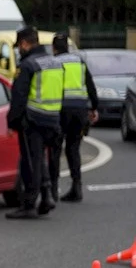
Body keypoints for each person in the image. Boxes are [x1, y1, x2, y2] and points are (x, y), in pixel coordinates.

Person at [6, 26, 64, 219]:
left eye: (19, 46)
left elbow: (19, 97)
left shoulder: (28, 65)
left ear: (24, 43)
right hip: (53, 117)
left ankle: (29, 204)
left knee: (30, 162)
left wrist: (13, 121)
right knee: (40, 160)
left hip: (33, 120)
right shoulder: (54, 62)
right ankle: (46, 196)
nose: (18, 50)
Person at [49, 34, 100, 203]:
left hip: (60, 109)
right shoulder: (79, 62)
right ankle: (76, 187)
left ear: (54, 48)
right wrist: (94, 107)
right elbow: (90, 85)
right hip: (79, 111)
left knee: (55, 148)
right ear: (68, 47)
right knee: (73, 148)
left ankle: (53, 189)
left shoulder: (54, 63)